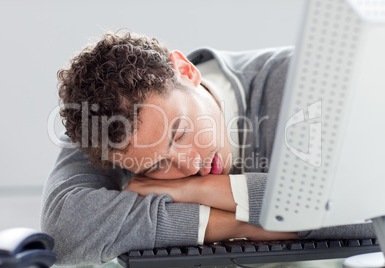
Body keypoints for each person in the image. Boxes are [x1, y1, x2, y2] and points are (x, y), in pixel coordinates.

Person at [42, 31, 375, 265]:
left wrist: (202, 189)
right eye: (156, 167)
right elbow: (65, 232)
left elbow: (371, 208)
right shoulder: (110, 130)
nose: (188, 164)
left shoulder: (306, 80)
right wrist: (242, 225)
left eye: (181, 132)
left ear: (186, 71)